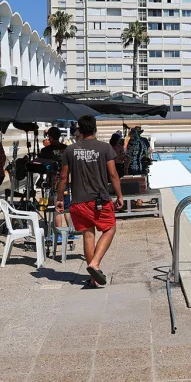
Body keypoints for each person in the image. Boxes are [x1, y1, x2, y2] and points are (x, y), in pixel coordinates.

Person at [56, 115, 123, 286]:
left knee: (88, 235)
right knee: (109, 228)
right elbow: (113, 174)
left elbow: (63, 177)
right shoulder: (105, 148)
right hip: (99, 199)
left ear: (79, 130)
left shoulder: (70, 150)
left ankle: (93, 279)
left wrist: (59, 198)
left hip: (78, 200)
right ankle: (95, 263)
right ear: (95, 129)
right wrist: (119, 195)